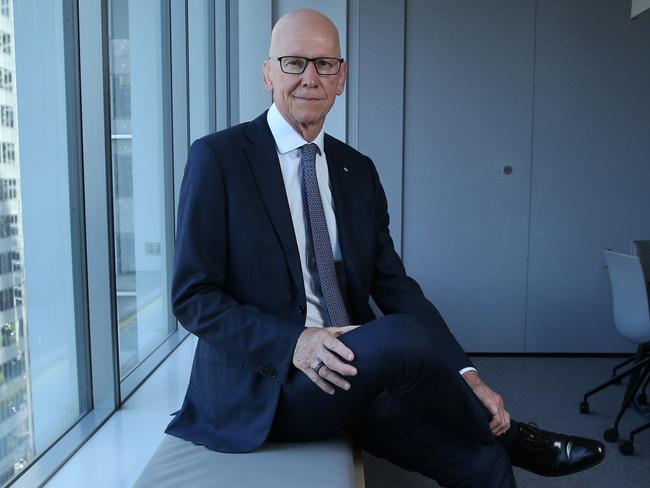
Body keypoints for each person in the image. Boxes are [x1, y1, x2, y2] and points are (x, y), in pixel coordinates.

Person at [166, 9, 604, 487]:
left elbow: (395, 286)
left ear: (342, 78)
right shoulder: (219, 158)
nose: (310, 78)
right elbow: (193, 297)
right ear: (268, 74)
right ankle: (516, 438)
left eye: (325, 64)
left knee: (481, 464)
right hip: (266, 385)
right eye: (294, 63)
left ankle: (501, 447)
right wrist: (294, 342)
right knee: (400, 337)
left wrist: (468, 372)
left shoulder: (357, 171)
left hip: (352, 374)